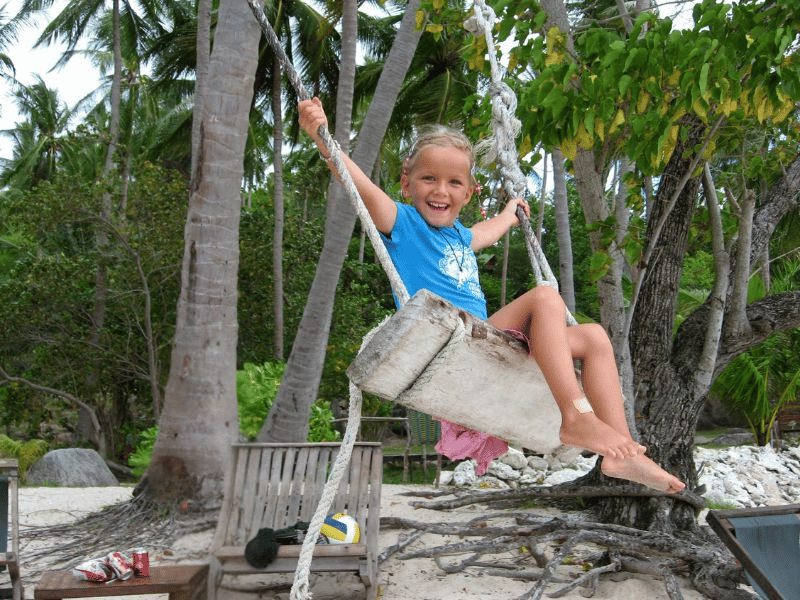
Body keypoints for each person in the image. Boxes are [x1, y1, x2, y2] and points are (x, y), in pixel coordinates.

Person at [299, 97, 685, 493]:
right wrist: (323, 139)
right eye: (429, 178)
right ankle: (577, 416)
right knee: (545, 298)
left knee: (595, 337)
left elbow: (491, 229)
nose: (441, 190)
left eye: (454, 183)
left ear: (468, 193)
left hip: (487, 341)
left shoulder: (461, 237)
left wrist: (511, 211)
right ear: (406, 182)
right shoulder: (402, 222)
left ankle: (624, 459)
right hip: (452, 342)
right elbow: (355, 183)